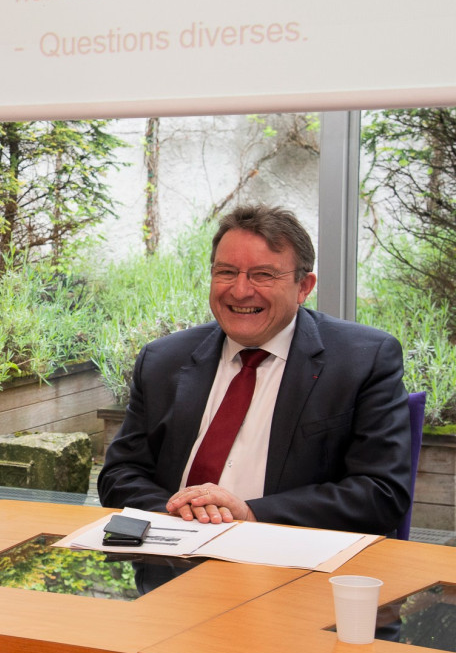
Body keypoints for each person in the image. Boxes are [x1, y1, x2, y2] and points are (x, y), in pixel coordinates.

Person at [98, 204, 411, 535]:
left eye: (263, 275)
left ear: (304, 287)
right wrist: (181, 516)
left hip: (290, 562)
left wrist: (250, 514)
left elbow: (381, 492)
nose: (240, 290)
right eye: (226, 272)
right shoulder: (163, 360)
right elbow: (121, 474)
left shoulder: (363, 360)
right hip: (173, 551)